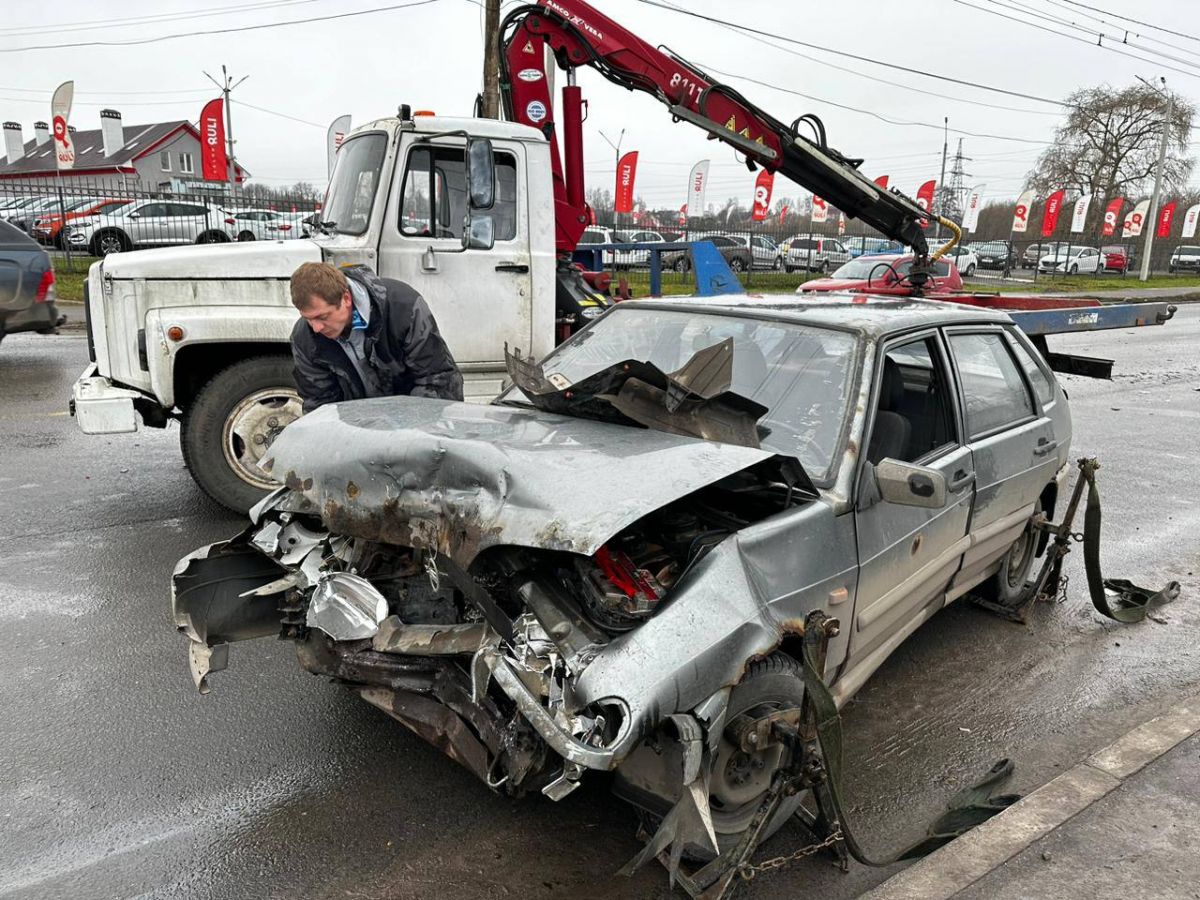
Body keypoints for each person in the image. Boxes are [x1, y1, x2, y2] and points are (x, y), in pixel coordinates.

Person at [288, 262, 463, 413]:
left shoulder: (403, 308)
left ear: (346, 298)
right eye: (308, 318)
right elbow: (319, 405)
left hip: (416, 423)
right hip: (356, 432)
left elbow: (437, 380)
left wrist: (403, 436)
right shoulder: (305, 338)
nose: (316, 328)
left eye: (323, 317)